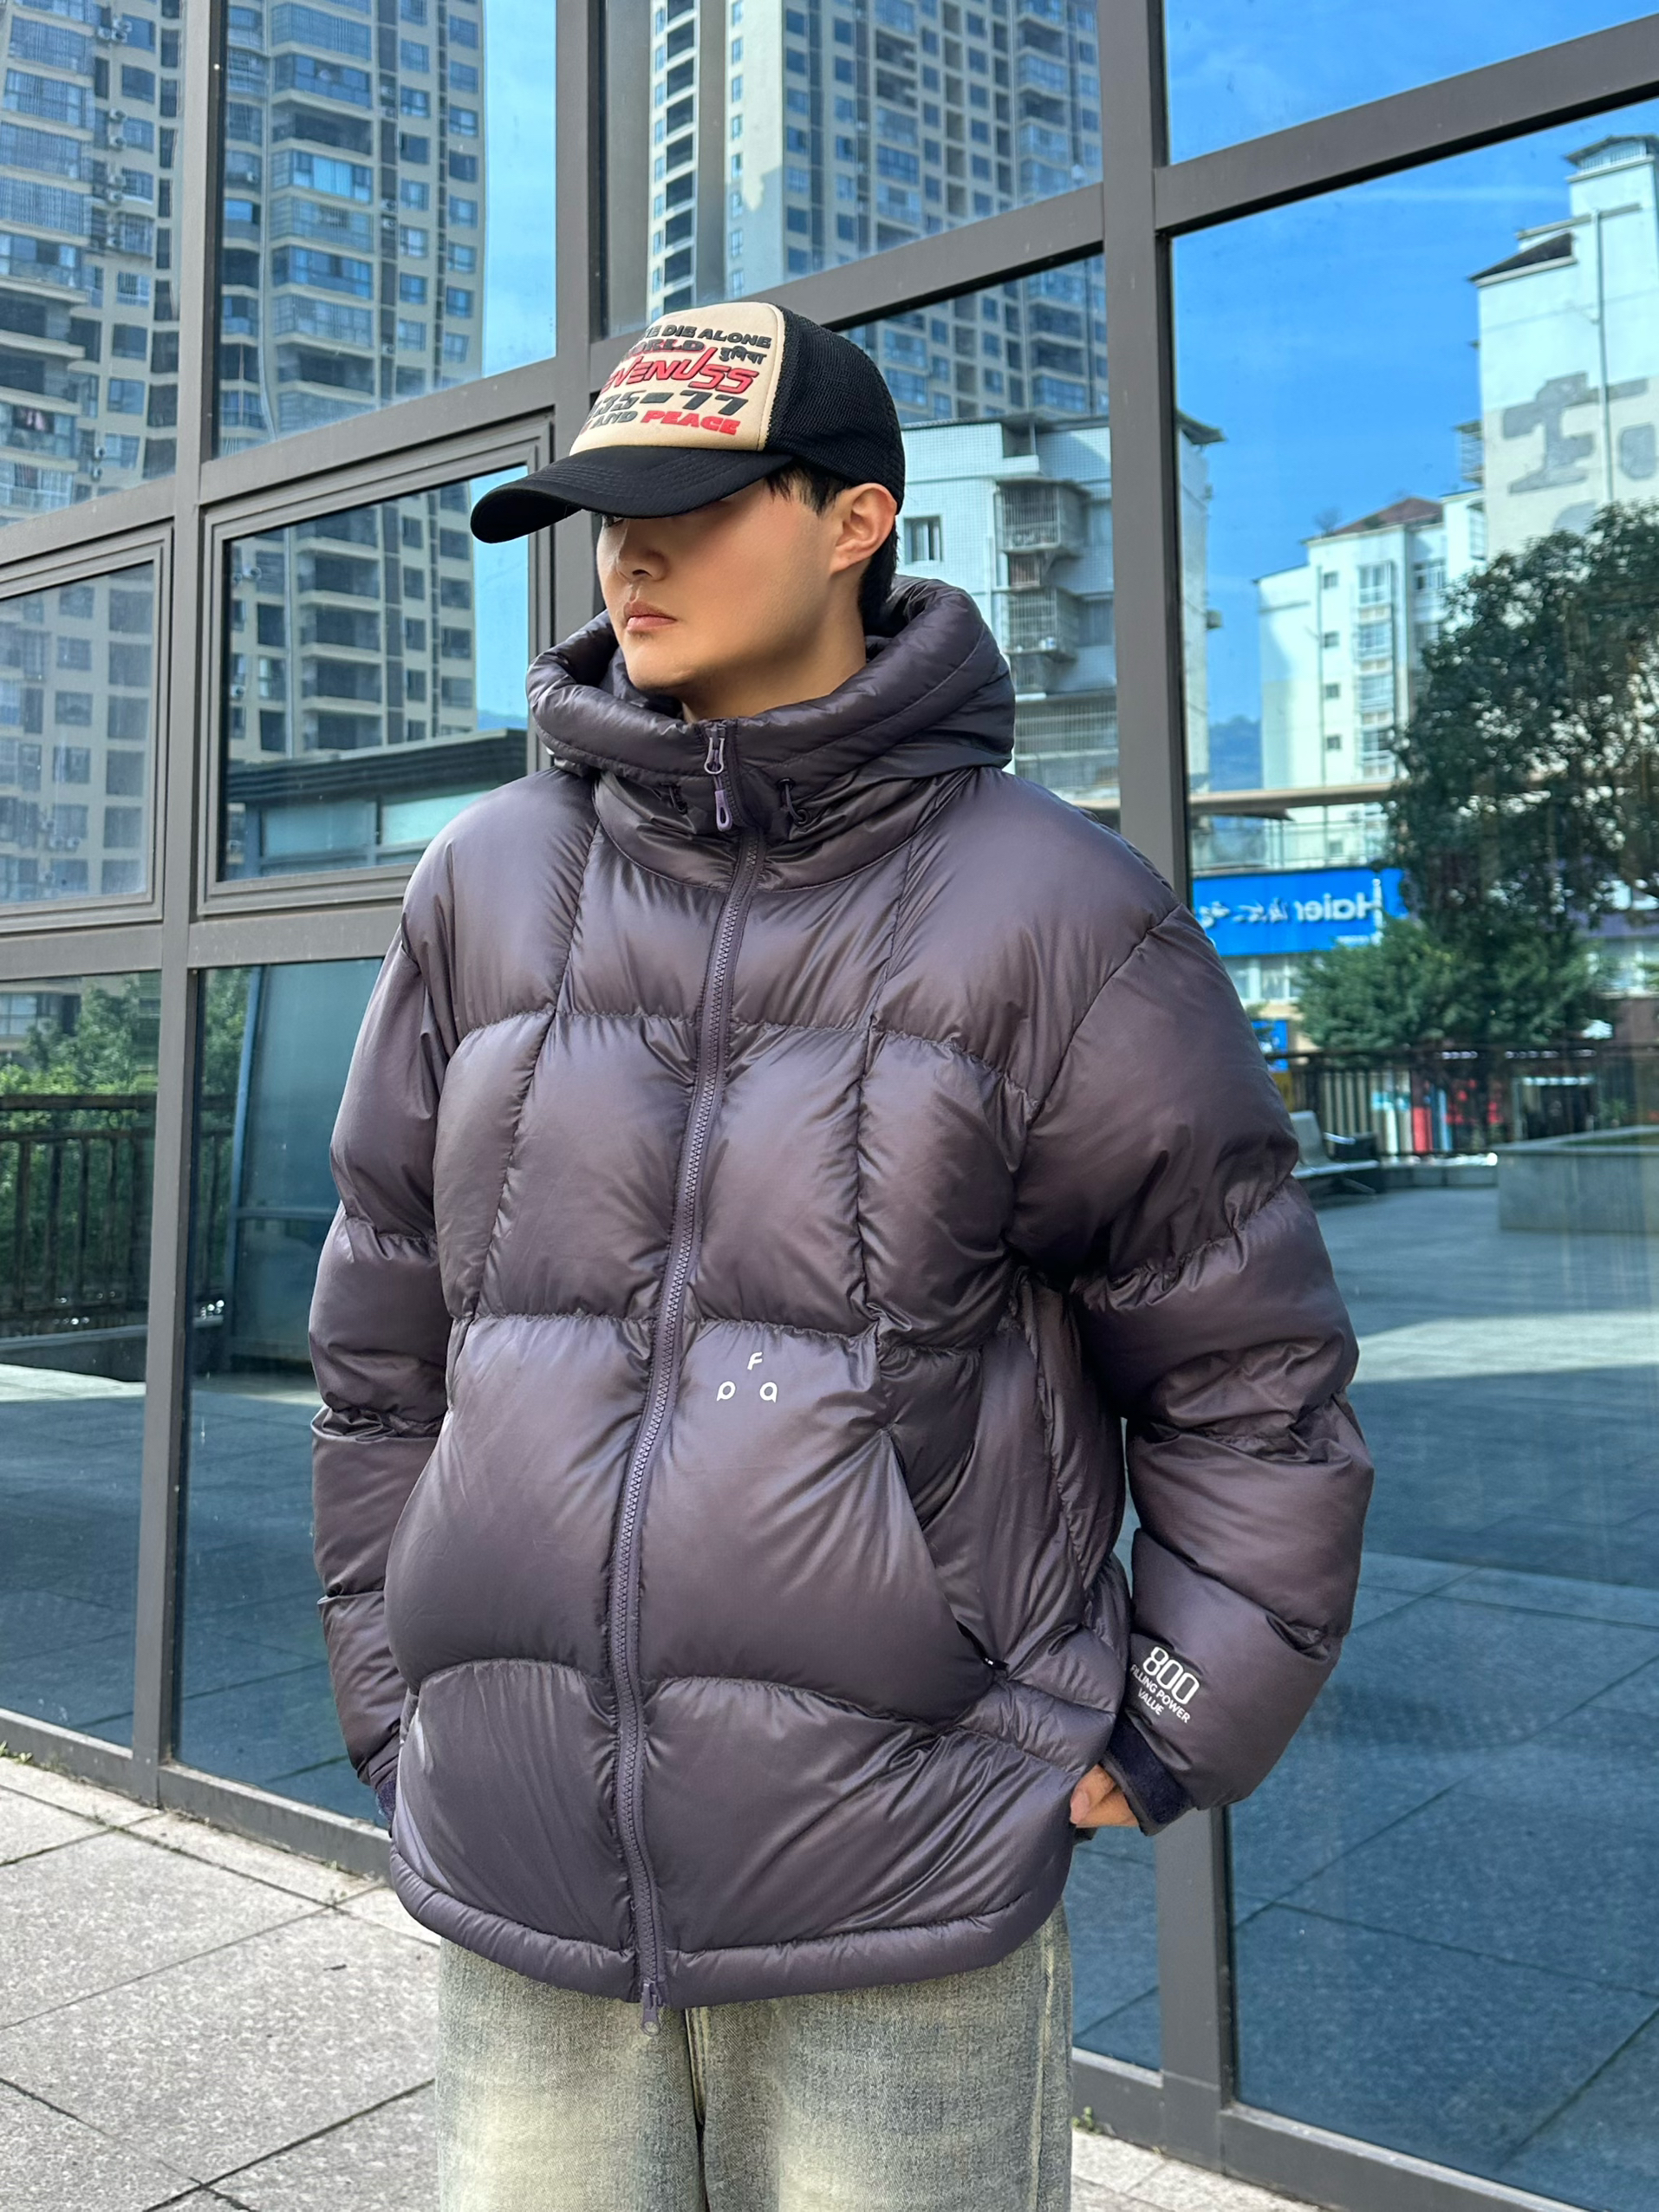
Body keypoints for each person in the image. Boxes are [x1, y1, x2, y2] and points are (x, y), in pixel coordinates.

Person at [309, 302, 1372, 2212]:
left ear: (855, 521)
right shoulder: (484, 883)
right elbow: (386, 1331)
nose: (628, 557)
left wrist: (1176, 1713)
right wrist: (401, 1690)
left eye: (694, 507)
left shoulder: (1057, 912)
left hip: (904, 1870)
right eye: (605, 517)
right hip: (522, 1848)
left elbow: (1244, 1372)